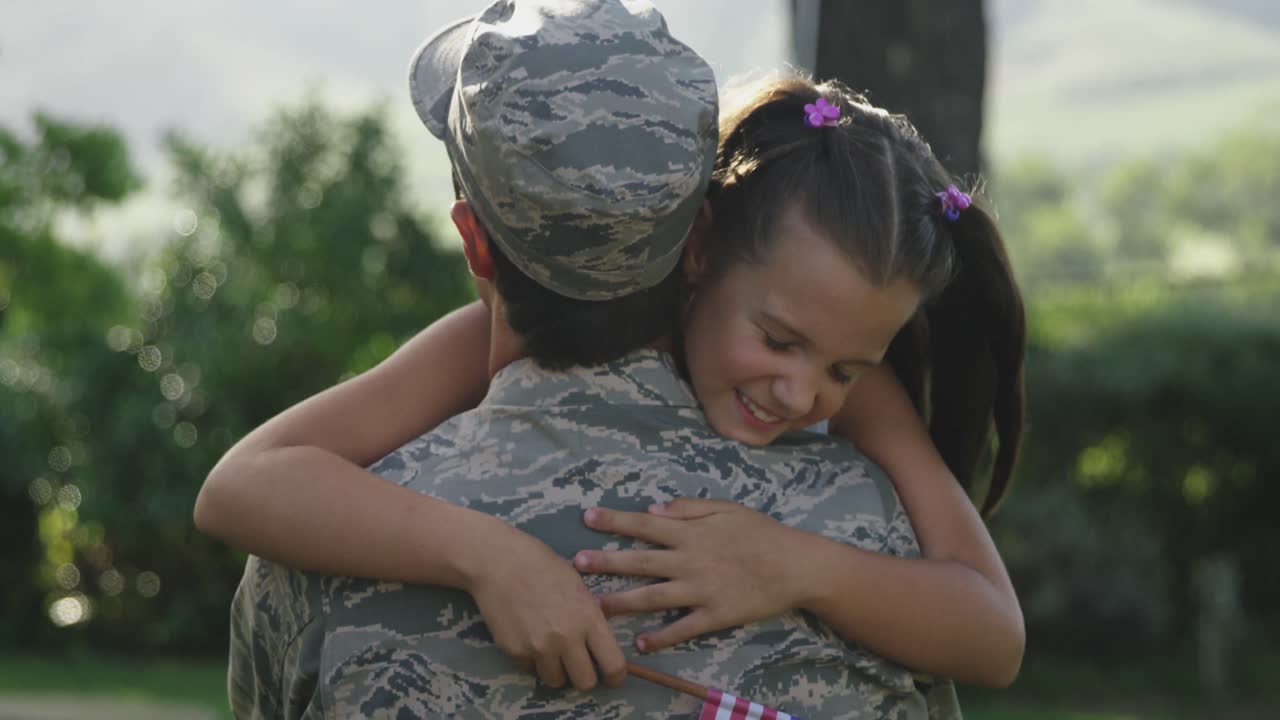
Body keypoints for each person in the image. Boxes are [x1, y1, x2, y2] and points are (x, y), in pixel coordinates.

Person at [201, 2, 1024, 716]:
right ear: (700, 237)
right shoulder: (879, 525)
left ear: (475, 244)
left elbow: (246, 484)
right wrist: (489, 554)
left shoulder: (319, 562)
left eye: (844, 369)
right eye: (782, 343)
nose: (806, 388)